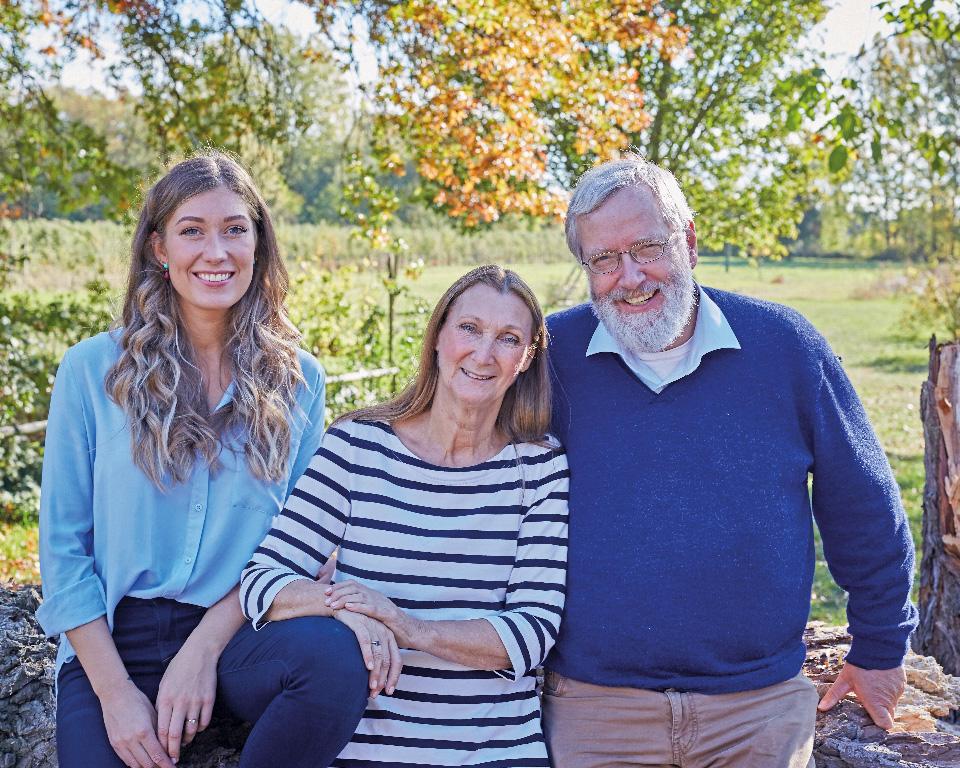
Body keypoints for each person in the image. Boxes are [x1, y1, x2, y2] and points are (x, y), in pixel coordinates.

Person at [542, 155, 918, 768]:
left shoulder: (784, 346)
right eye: (604, 259)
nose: (629, 277)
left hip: (758, 706)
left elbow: (862, 503)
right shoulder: (550, 360)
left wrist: (880, 647)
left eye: (647, 248)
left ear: (688, 242)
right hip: (595, 705)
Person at [36, 151, 376, 768]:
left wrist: (202, 648)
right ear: (159, 249)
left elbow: (300, 544)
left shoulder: (299, 380)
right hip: (114, 642)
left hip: (241, 635)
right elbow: (64, 550)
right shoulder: (91, 370)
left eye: (234, 229)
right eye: (192, 231)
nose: (215, 252)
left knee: (335, 660)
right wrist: (116, 696)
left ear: (258, 245)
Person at [240, 264, 570, 767]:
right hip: (371, 752)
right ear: (437, 337)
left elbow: (533, 631)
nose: (484, 354)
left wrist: (406, 626)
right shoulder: (357, 446)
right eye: (469, 328)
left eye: (508, 339)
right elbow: (262, 580)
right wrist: (345, 608)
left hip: (497, 751)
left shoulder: (539, 467)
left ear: (526, 358)